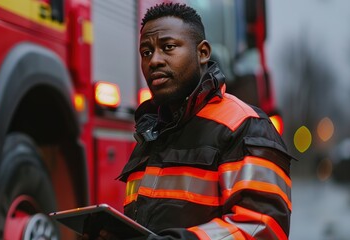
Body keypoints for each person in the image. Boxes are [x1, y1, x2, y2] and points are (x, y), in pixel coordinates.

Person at [88, 2, 293, 240]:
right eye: (146, 52)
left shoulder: (246, 127)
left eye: (168, 47)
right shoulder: (151, 134)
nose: (154, 60)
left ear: (203, 52)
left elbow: (262, 230)